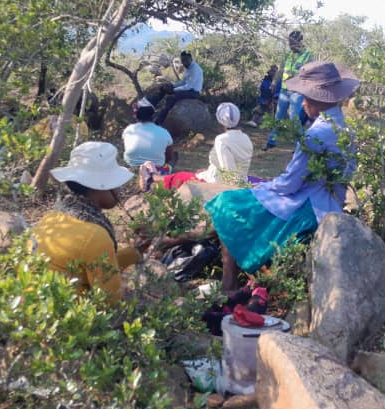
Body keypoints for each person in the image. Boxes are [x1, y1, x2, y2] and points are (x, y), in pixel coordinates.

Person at [207, 61, 359, 293]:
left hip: (309, 207)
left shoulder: (316, 134)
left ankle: (229, 282)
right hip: (331, 204)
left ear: (318, 100)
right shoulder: (346, 130)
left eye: (307, 97)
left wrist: (263, 187)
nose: (304, 102)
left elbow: (289, 184)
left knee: (226, 203)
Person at [29, 142, 141, 302]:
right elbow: (109, 301)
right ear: (102, 186)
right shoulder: (95, 235)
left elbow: (96, 264)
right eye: (116, 183)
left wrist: (136, 252)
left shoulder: (52, 218)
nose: (119, 189)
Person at [140, 102, 253, 191]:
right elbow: (233, 164)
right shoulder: (246, 138)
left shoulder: (222, 140)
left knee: (180, 177)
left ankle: (151, 178)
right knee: (195, 173)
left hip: (220, 184)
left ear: (220, 121)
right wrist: (209, 170)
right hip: (241, 180)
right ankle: (154, 177)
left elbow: (228, 172)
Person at [265, 31, 312, 149]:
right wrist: (274, 82)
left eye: (293, 43)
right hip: (284, 91)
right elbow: (281, 70)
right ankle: (271, 141)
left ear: (300, 41)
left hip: (298, 91)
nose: (290, 45)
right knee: (278, 117)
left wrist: (296, 78)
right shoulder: (288, 55)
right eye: (289, 43)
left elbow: (311, 74)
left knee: (294, 119)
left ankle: (300, 146)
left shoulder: (308, 55)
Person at [122, 97, 175, 172]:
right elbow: (169, 157)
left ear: (136, 116)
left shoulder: (129, 130)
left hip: (131, 167)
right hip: (155, 169)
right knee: (173, 159)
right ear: (153, 116)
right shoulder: (164, 132)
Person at [155, 51, 204, 125]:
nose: (184, 63)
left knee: (171, 97)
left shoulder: (195, 69)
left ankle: (159, 121)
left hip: (194, 92)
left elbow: (188, 86)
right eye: (183, 61)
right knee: (164, 88)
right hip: (188, 90)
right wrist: (173, 85)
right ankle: (153, 109)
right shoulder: (188, 68)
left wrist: (173, 90)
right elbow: (183, 82)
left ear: (191, 59)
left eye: (186, 60)